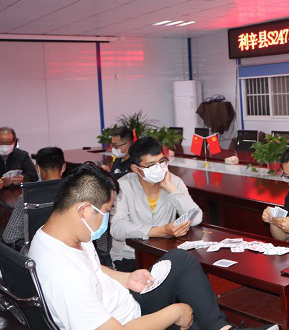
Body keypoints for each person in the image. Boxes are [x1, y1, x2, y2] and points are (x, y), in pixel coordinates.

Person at [28, 163, 274, 330]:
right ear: (83, 209)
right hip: (128, 322)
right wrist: (174, 312)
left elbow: (92, 269)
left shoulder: (59, 234)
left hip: (126, 302)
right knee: (188, 316)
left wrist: (126, 278)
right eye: (107, 211)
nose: (108, 218)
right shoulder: (63, 277)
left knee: (180, 259)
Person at [110, 137, 202, 272]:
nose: (158, 168)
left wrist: (170, 188)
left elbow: (197, 218)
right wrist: (161, 231)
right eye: (151, 165)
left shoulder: (174, 182)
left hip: (164, 255)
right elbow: (118, 228)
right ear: (135, 169)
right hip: (130, 257)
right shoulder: (123, 186)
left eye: (161, 161)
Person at [2, 146, 66, 249]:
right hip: (68, 251)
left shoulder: (27, 197)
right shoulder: (75, 192)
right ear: (63, 167)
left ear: (37, 168)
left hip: (35, 253)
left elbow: (9, 237)